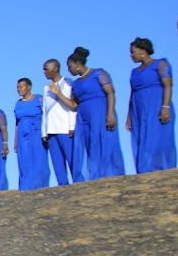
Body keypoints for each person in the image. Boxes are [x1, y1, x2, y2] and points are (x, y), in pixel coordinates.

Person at [48, 47, 126, 181]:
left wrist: (110, 113)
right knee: (90, 146)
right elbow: (73, 105)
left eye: (70, 66)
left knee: (105, 142)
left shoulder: (98, 74)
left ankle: (111, 175)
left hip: (101, 113)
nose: (68, 69)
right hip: (83, 117)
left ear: (78, 65)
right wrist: (58, 94)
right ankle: (94, 177)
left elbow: (110, 92)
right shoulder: (76, 84)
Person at [126, 38, 177, 173]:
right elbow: (132, 94)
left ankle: (162, 169)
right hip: (138, 109)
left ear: (143, 51)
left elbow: (168, 85)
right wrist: (129, 117)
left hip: (156, 105)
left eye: (133, 52)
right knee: (141, 139)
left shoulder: (160, 64)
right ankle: (144, 170)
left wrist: (165, 107)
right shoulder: (134, 71)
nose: (131, 55)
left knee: (157, 138)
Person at [41, 59, 77, 185]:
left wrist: (72, 126)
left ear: (55, 68)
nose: (44, 72)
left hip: (65, 128)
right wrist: (44, 131)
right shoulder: (46, 88)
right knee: (57, 163)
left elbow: (73, 106)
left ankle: (78, 184)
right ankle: (63, 186)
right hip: (51, 130)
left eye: (47, 68)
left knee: (72, 159)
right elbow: (45, 110)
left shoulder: (68, 83)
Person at [13, 79, 50, 191]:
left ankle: (40, 185)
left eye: (22, 86)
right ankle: (26, 186)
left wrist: (46, 132)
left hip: (36, 130)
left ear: (29, 87)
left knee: (38, 157)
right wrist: (15, 140)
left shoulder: (38, 99)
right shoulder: (18, 104)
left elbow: (46, 115)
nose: (19, 89)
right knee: (24, 160)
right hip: (22, 134)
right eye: (18, 87)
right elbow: (16, 123)